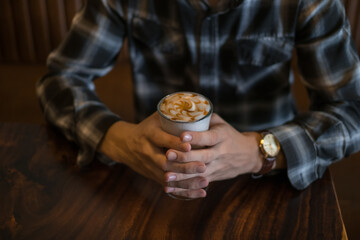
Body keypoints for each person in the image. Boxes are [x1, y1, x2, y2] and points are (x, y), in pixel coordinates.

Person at [36, 0, 360, 199]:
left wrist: (258, 151)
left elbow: (351, 110)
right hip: (156, 174)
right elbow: (60, 80)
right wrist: (119, 140)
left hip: (269, 181)